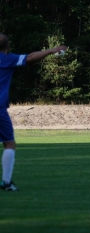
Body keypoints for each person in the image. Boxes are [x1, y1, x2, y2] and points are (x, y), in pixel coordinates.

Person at [0, 33, 67, 191]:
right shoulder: (7, 59)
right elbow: (30, 57)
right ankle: (7, 182)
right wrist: (52, 50)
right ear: (8, 47)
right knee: (9, 143)